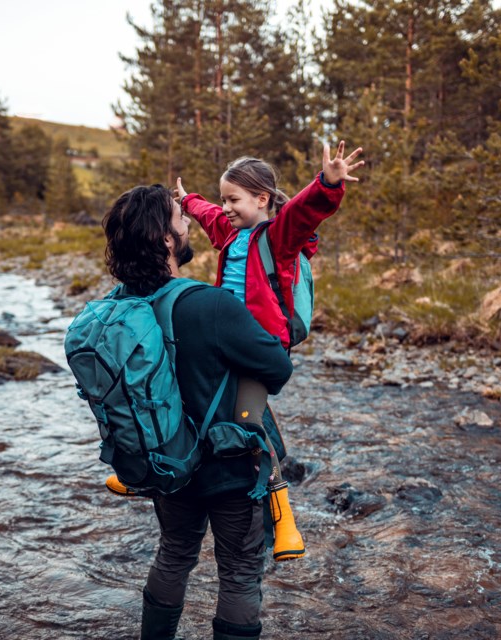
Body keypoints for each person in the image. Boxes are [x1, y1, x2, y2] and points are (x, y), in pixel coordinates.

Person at [102, 184, 294, 640]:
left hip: (165, 463)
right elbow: (277, 367)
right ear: (167, 240)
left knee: (173, 554)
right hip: (229, 469)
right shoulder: (210, 304)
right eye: (179, 217)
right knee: (240, 573)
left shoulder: (119, 306)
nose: (188, 223)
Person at [166, 140, 364, 562]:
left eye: (234, 199)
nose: (228, 208)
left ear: (261, 199)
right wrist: (190, 200)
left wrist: (327, 183)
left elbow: (305, 211)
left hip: (259, 347)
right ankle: (152, 465)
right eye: (225, 199)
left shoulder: (278, 237)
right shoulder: (229, 232)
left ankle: (282, 512)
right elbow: (207, 215)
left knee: (249, 421)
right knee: (190, 397)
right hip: (222, 343)